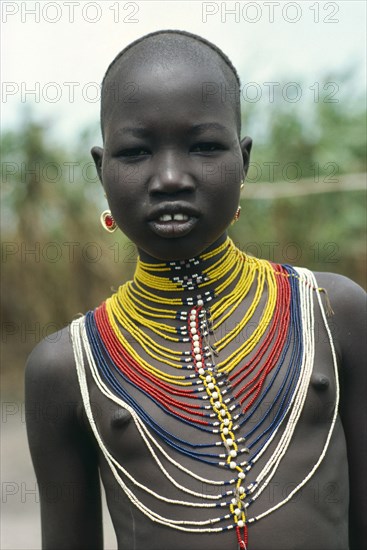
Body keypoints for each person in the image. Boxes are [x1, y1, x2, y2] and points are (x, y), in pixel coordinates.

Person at [25, 30, 366, 550]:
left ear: (244, 161)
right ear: (102, 170)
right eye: (136, 152)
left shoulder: (331, 312)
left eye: (204, 147)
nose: (169, 177)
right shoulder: (68, 368)